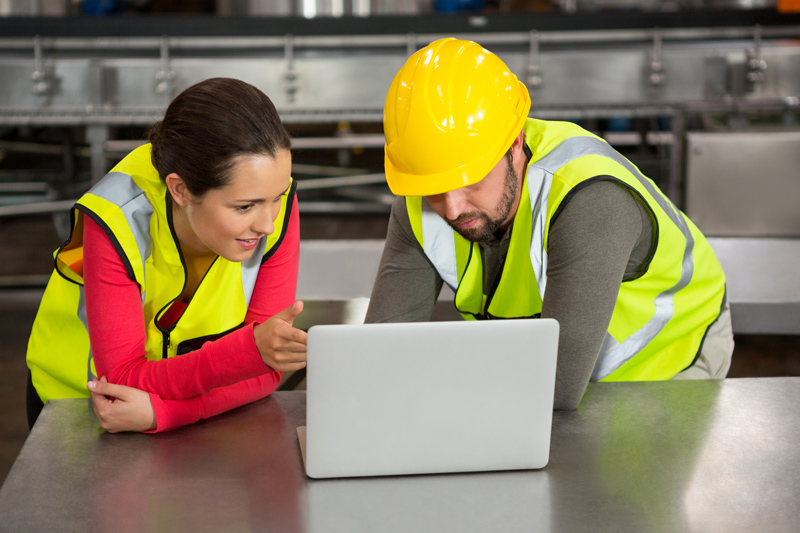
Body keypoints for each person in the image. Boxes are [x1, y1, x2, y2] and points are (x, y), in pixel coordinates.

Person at [366, 38, 734, 409]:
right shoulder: (419, 200)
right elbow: (382, 353)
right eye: (433, 187)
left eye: (470, 180)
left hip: (669, 367)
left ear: (513, 144)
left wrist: (420, 370)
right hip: (547, 379)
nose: (451, 209)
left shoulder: (588, 198)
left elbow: (555, 387)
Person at [26, 78, 308, 432]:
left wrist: (171, 413)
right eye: (244, 207)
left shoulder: (272, 199)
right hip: (75, 410)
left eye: (278, 197)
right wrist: (249, 353)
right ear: (180, 189)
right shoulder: (115, 220)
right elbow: (123, 382)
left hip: (169, 407)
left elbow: (266, 372)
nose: (268, 223)